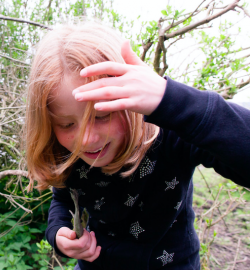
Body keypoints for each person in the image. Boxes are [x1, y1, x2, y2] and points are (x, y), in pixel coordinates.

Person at [24, 23, 250, 270]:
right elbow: (63, 197)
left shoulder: (172, 136)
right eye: (67, 124)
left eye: (102, 115)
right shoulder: (68, 153)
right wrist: (58, 232)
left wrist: (170, 99)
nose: (86, 139)